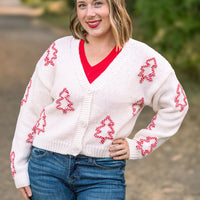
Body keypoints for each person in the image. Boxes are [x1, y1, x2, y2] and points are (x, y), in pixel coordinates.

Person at [10, 0, 189, 199]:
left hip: (103, 173)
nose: (89, 13)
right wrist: (19, 167)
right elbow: (31, 108)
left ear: (116, 6)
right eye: (82, 5)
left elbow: (176, 104)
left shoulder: (143, 60)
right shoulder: (59, 51)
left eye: (97, 3)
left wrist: (139, 145)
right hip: (46, 166)